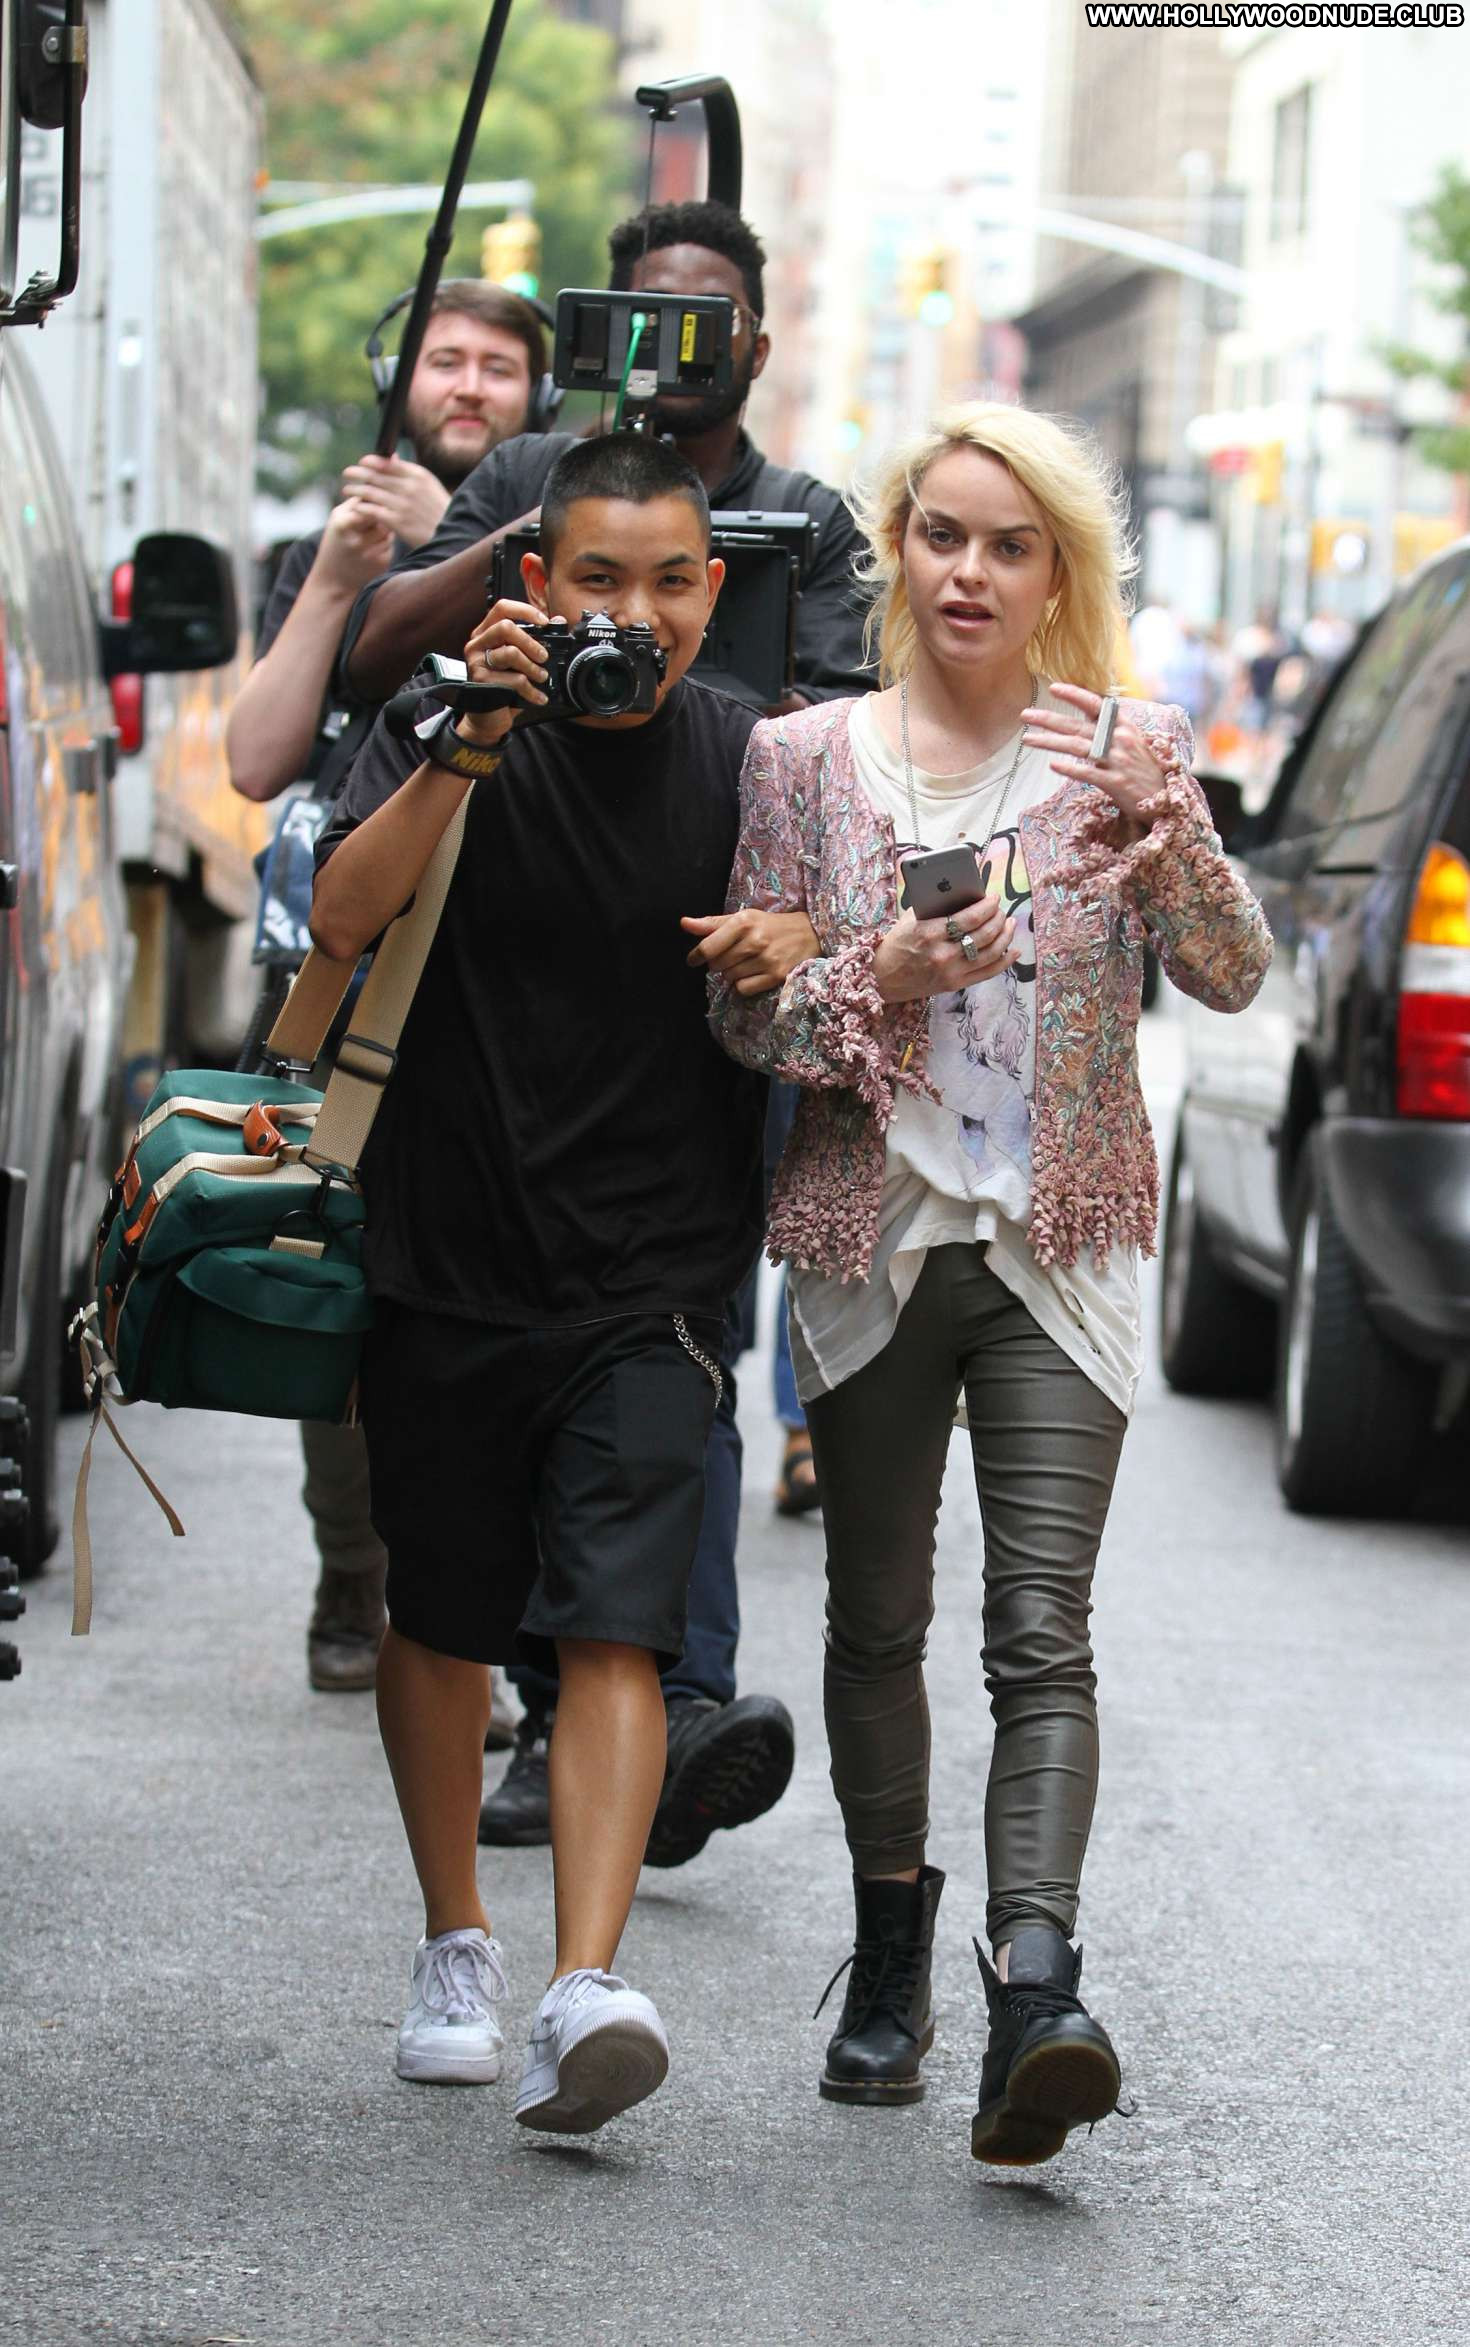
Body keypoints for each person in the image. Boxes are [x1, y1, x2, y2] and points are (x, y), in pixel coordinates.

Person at [706, 403, 1271, 2165]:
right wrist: (873, 972)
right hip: (869, 1237)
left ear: (1054, 575)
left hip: (1057, 1235)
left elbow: (1232, 974)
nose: (969, 571)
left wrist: (1162, 826)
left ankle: (1035, 1990)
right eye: (942, 534)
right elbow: (740, 1019)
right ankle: (889, 1961)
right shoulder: (801, 760)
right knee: (874, 1620)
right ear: (897, 546)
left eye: (1008, 546)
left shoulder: (1124, 747)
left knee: (1042, 1631)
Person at [343, 199, 871, 1858]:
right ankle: (548, 1737)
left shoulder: (803, 532)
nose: (667, 350)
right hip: (465, 1161)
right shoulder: (517, 499)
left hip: (676, 1107)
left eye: (701, 323)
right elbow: (368, 673)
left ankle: (658, 1699)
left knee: (656, 1418)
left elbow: (849, 788)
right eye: (640, 317)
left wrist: (794, 900)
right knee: (462, 1535)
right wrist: (486, 664)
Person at [309, 431, 802, 2130]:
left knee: (616, 1628)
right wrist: (465, 743)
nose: (634, 616)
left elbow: (836, 931)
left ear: (711, 593)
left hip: (656, 1272)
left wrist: (802, 937)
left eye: (670, 583)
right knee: (441, 1618)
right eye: (599, 578)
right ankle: (456, 1942)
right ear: (537, 582)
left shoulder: (752, 757)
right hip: (445, 1250)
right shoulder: (446, 718)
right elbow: (341, 920)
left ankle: (584, 1981)